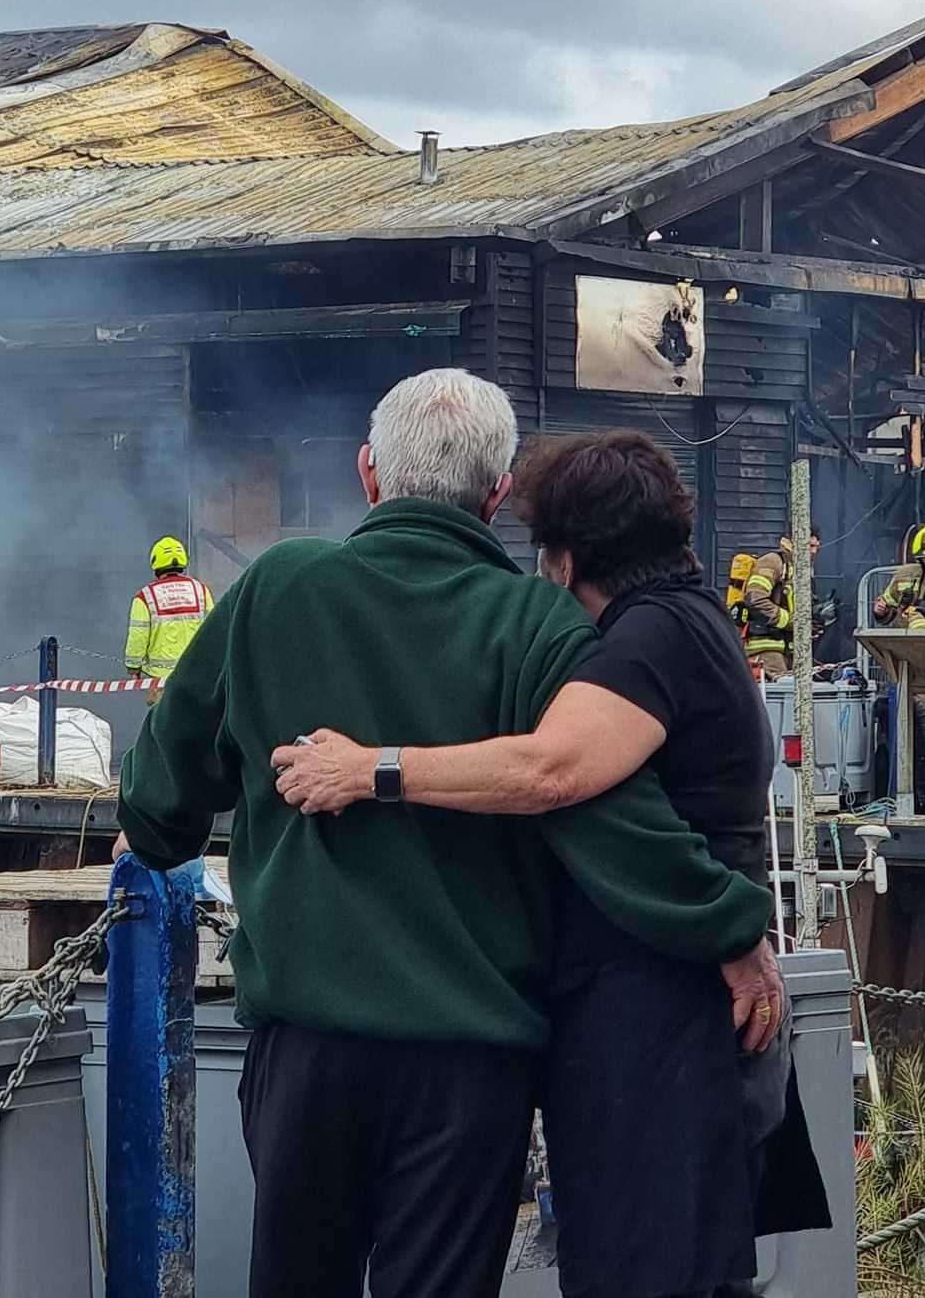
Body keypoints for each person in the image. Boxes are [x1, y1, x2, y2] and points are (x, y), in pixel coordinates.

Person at [112, 369, 777, 1298]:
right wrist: (730, 927)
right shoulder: (536, 620)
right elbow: (609, 821)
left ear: (367, 473)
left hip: (306, 1050)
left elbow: (159, 809)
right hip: (470, 1067)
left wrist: (145, 830)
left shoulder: (275, 588)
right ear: (496, 495)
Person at [272, 428, 830, 1298]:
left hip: (659, 1021)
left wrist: (373, 769)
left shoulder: (648, 640)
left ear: (562, 563)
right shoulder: (693, 621)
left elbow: (550, 769)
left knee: (644, 1273)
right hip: (668, 1010)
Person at [872, 523, 925, 805]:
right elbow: (886, 606)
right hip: (910, 671)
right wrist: (881, 610)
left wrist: (913, 618)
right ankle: (923, 798)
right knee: (916, 736)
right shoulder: (905, 576)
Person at [124, 535, 212, 705]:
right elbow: (214, 631)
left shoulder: (144, 596)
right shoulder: (201, 591)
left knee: (163, 728)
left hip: (161, 682)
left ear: (155, 564)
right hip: (196, 677)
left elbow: (138, 635)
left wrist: (133, 667)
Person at [741, 526, 820, 679]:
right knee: (778, 696)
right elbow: (755, 599)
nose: (814, 551)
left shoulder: (800, 569)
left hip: (789, 650)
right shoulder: (773, 562)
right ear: (793, 542)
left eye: (817, 546)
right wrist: (792, 621)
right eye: (809, 546)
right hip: (767, 648)